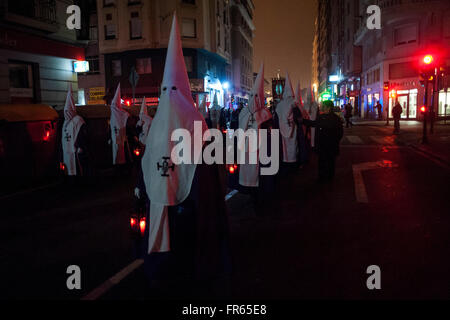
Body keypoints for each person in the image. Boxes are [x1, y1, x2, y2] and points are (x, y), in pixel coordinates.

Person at [139, 13, 231, 298]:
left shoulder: (195, 127)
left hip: (188, 212)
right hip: (168, 210)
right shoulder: (167, 129)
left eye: (172, 91)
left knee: (183, 256)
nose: (168, 97)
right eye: (164, 91)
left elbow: (208, 175)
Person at [238, 62, 275, 213]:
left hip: (262, 153)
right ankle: (252, 198)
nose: (253, 99)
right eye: (251, 96)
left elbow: (271, 133)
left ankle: (261, 201)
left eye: (256, 96)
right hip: (247, 151)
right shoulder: (244, 112)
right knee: (249, 177)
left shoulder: (266, 114)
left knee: (262, 179)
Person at [303, 100, 344, 183]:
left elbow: (314, 124)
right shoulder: (334, 118)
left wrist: (303, 121)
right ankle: (328, 178)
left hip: (326, 145)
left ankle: (324, 179)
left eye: (322, 105)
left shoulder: (325, 118)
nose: (320, 107)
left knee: (325, 163)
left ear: (328, 107)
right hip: (329, 146)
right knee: (328, 163)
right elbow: (340, 133)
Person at [61, 84, 90, 178]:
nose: (67, 114)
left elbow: (82, 135)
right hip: (67, 153)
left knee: (78, 171)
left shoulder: (78, 120)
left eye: (68, 111)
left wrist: (80, 146)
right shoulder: (65, 123)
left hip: (76, 152)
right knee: (69, 173)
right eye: (66, 112)